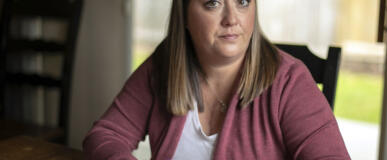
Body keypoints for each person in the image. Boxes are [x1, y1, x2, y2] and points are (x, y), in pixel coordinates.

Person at [83, 0, 350, 159]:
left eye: (243, 1)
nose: (232, 19)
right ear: (184, 13)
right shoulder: (164, 65)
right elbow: (106, 134)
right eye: (213, 2)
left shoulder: (290, 81)